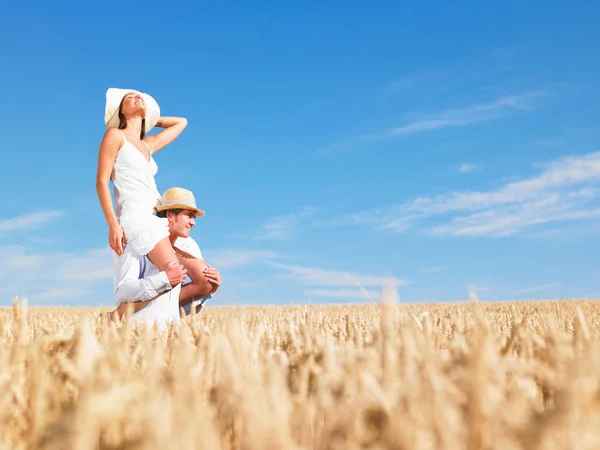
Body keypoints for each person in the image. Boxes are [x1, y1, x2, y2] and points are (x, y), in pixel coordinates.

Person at [96, 88, 192, 293]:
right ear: (120, 112)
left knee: (200, 280)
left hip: (157, 214)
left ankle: (140, 319)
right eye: (129, 98)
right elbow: (101, 182)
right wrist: (113, 224)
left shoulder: (147, 144)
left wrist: (147, 118)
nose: (137, 97)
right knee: (172, 273)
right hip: (135, 214)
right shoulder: (115, 135)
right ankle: (118, 315)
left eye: (140, 96)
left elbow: (181, 122)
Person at [109, 187, 221, 327]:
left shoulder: (181, 252)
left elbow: (172, 307)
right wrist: (164, 280)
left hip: (167, 335)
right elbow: (122, 291)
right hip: (138, 334)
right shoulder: (138, 244)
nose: (193, 222)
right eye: (189, 216)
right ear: (170, 215)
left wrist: (209, 290)